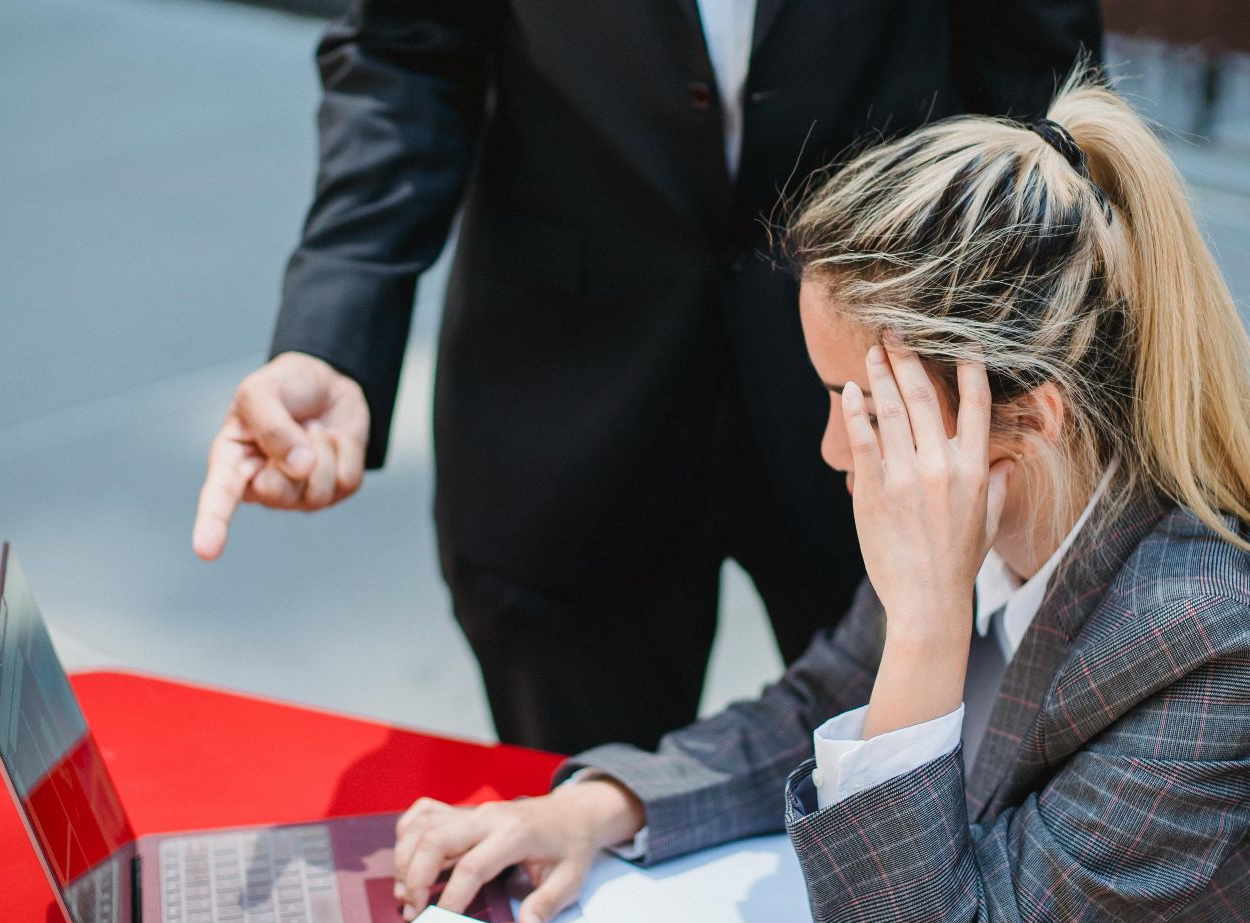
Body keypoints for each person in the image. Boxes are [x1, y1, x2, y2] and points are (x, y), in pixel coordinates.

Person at [380, 71, 1250, 923]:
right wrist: (596, 805)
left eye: (864, 406)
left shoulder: (1217, 647)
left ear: (1029, 416)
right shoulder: (998, 510)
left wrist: (923, 628)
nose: (832, 447)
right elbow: (815, 710)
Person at [188, 0, 1104, 755]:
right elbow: (405, 50)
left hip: (882, 410)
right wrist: (333, 335)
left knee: (900, 821)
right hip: (567, 397)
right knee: (578, 841)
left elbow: (1041, 92)